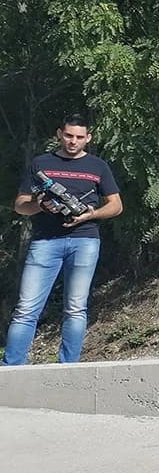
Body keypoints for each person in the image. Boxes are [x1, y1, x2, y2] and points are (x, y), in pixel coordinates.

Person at [4, 114, 123, 365]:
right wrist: (41, 205)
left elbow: (116, 206)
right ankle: (11, 368)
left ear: (88, 138)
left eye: (80, 137)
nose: (73, 141)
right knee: (26, 309)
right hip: (45, 241)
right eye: (69, 135)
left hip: (85, 240)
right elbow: (20, 206)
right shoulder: (41, 164)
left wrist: (91, 214)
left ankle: (68, 368)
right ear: (59, 134)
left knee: (76, 308)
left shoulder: (98, 166)